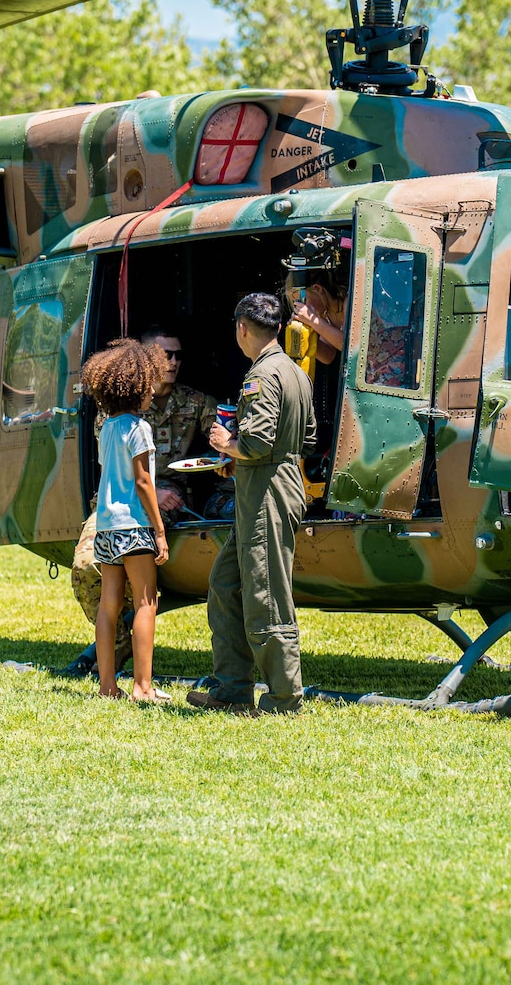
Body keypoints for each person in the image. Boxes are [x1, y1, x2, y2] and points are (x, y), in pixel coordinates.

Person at [190, 293, 316, 715]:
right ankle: (231, 690)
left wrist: (229, 445)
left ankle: (284, 698)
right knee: (226, 586)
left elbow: (259, 441)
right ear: (278, 327)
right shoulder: (296, 373)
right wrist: (237, 461)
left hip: (266, 493)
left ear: (243, 328)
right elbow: (308, 437)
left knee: (266, 594)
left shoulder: (260, 376)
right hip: (266, 484)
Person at [67, 326, 209, 662]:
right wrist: (152, 498)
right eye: (165, 355)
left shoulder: (195, 401)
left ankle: (115, 669)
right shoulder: (117, 410)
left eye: (178, 355)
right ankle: (118, 649)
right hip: (122, 506)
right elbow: (128, 473)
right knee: (86, 567)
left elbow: (224, 434)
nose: (173, 362)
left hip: (168, 496)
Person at [81, 339, 171, 703]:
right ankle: (142, 687)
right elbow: (143, 481)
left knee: (109, 605)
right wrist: (160, 531)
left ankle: (107, 686)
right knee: (147, 603)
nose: (153, 390)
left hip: (105, 528)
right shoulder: (139, 428)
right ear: (136, 387)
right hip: (134, 526)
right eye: (149, 383)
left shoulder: (107, 428)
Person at [290, 273, 348, 365]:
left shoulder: (348, 302)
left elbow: (348, 345)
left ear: (317, 289)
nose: (301, 309)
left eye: (303, 301)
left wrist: (313, 321)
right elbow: (328, 356)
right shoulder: (325, 314)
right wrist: (307, 334)